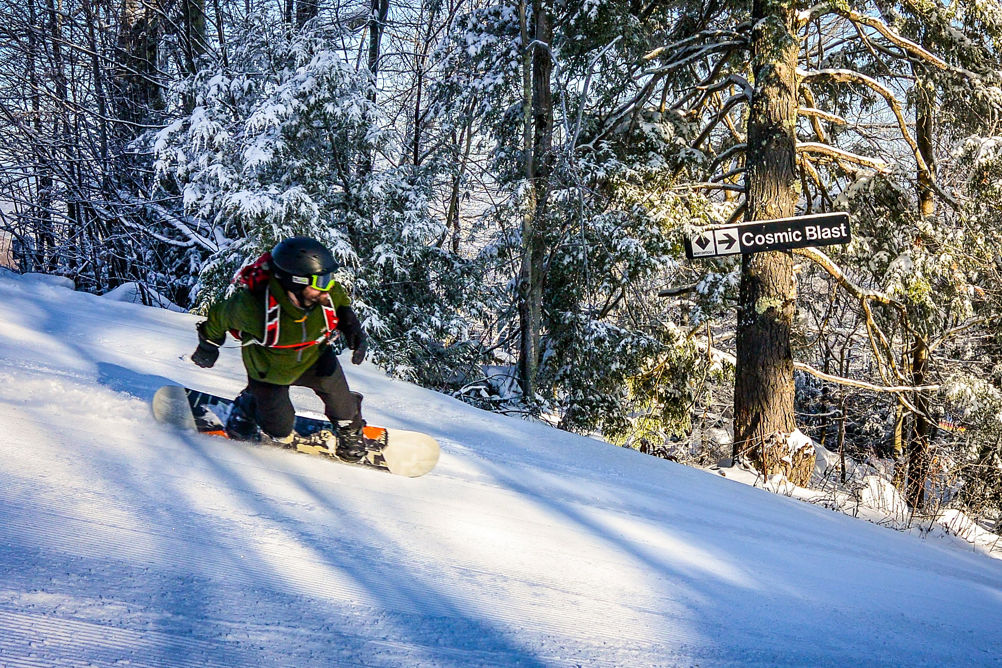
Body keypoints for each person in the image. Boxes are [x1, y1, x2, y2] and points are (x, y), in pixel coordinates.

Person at [190, 236, 372, 460]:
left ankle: (349, 430)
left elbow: (341, 302)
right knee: (279, 430)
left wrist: (353, 328)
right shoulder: (253, 307)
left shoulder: (324, 295)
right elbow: (219, 316)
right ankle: (248, 406)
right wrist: (208, 346)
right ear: (296, 281)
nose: (328, 287)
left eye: (329, 279)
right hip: (269, 369)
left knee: (343, 404)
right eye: (321, 282)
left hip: (313, 356)